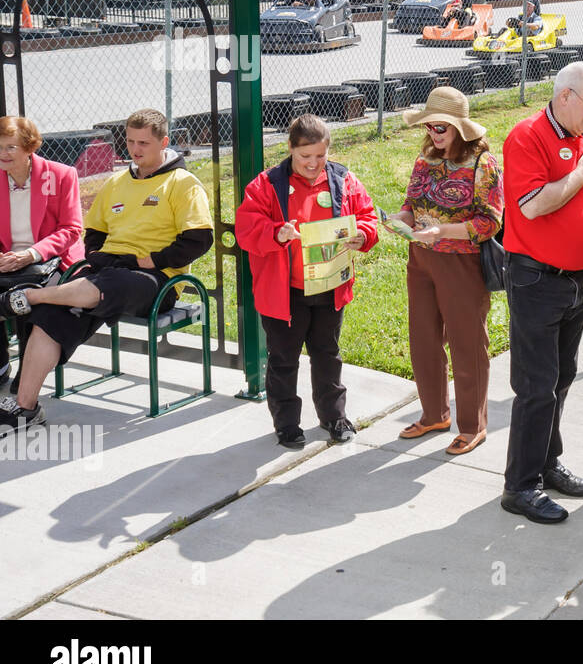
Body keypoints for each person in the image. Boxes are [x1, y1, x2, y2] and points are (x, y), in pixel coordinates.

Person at [0, 109, 213, 431]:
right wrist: (98, 254)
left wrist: (151, 260)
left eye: (144, 142)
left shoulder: (182, 183)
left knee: (105, 283)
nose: (135, 149)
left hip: (155, 279)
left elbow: (199, 239)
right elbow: (94, 232)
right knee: (48, 318)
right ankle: (26, 407)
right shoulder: (116, 182)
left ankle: (31, 295)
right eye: (130, 141)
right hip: (104, 273)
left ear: (164, 142)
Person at [500, 61, 583, 524]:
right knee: (536, 386)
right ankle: (520, 486)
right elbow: (533, 205)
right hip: (537, 279)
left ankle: (547, 462)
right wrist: (582, 175)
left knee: (563, 378)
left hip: (576, 279)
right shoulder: (526, 137)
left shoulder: (580, 139)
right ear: (565, 96)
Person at [235, 114, 378, 449]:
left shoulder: (344, 180)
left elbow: (367, 215)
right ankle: (286, 424)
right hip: (286, 293)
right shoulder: (266, 185)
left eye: (320, 156)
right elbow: (246, 230)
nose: (313, 164)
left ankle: (334, 417)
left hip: (329, 287)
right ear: (290, 149)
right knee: (283, 359)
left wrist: (363, 234)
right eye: (305, 157)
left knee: (328, 354)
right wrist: (276, 232)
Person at [393, 88, 503, 455]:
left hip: (461, 262)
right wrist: (401, 219)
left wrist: (442, 231)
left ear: (461, 128)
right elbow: (411, 203)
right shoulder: (425, 161)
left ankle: (472, 425)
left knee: (466, 343)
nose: (434, 134)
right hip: (421, 257)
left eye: (442, 127)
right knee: (423, 338)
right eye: (430, 127)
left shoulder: (482, 164)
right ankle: (434, 414)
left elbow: (489, 223)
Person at [0, 116, 84, 393]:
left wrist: (31, 254)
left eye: (10, 147)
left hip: (51, 262)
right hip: (8, 262)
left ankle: (26, 380)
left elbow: (71, 230)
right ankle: (1, 367)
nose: (3, 154)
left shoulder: (61, 175)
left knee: (23, 299)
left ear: (29, 147)